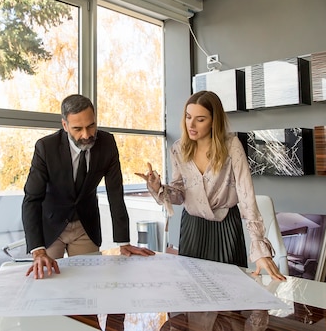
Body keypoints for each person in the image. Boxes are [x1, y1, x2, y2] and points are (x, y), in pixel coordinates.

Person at [136, 90, 285, 281]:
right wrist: (158, 188)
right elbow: (180, 194)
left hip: (226, 226)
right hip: (192, 228)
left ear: (214, 121)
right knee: (192, 290)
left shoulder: (232, 145)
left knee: (230, 291)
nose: (191, 124)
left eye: (200, 119)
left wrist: (259, 248)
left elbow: (246, 195)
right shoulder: (179, 149)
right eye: (188, 117)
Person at [22, 94, 155, 279]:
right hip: (51, 226)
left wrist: (123, 242)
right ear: (65, 125)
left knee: (88, 283)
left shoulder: (107, 143)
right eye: (77, 129)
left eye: (91, 126)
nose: (86, 135)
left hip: (85, 225)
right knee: (48, 284)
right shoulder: (46, 148)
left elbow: (115, 193)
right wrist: (38, 250)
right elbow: (32, 199)